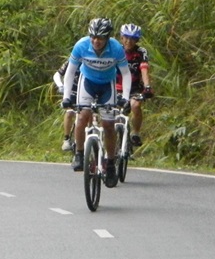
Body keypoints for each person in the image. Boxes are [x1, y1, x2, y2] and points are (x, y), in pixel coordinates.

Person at [62, 17, 132, 188]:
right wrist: (66, 97)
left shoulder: (116, 48)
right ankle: (79, 154)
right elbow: (70, 72)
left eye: (100, 38)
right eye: (93, 37)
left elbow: (126, 73)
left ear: (107, 38)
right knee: (82, 116)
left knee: (108, 125)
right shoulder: (81, 45)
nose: (96, 41)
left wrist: (126, 97)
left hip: (107, 85)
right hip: (87, 82)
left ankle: (110, 163)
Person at [116, 23, 154, 146]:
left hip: (134, 88)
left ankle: (135, 133)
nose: (129, 41)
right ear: (121, 37)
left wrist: (147, 86)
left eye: (133, 38)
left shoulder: (141, 52)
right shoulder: (116, 50)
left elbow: (144, 69)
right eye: (126, 37)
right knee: (111, 114)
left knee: (136, 106)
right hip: (116, 87)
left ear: (137, 40)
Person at [53, 57, 79, 152]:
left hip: (86, 91)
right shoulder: (72, 60)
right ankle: (66, 139)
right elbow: (57, 74)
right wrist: (60, 86)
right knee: (70, 112)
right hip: (71, 91)